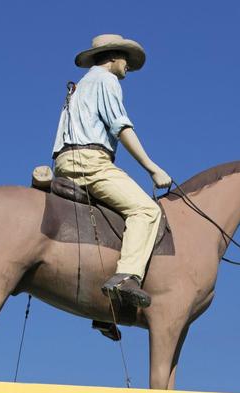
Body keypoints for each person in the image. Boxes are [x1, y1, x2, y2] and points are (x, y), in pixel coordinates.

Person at [52, 34, 171, 309]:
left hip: (64, 163)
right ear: (113, 57)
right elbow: (121, 127)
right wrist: (152, 168)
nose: (128, 64)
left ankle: (102, 312)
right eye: (126, 58)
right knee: (146, 211)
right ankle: (124, 279)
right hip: (91, 162)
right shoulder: (106, 80)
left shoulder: (81, 85)